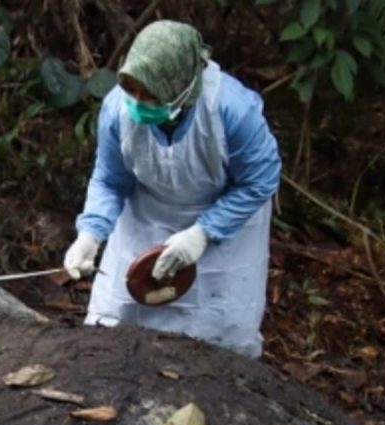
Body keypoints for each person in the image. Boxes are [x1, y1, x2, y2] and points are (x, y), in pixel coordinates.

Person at [63, 20, 281, 358]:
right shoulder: (116, 110)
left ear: (181, 87)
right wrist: (90, 233)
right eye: (131, 90)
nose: (136, 102)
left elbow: (261, 180)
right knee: (117, 322)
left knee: (220, 335)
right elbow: (109, 179)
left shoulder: (231, 111)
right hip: (147, 218)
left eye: (148, 95)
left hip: (224, 224)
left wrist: (203, 234)